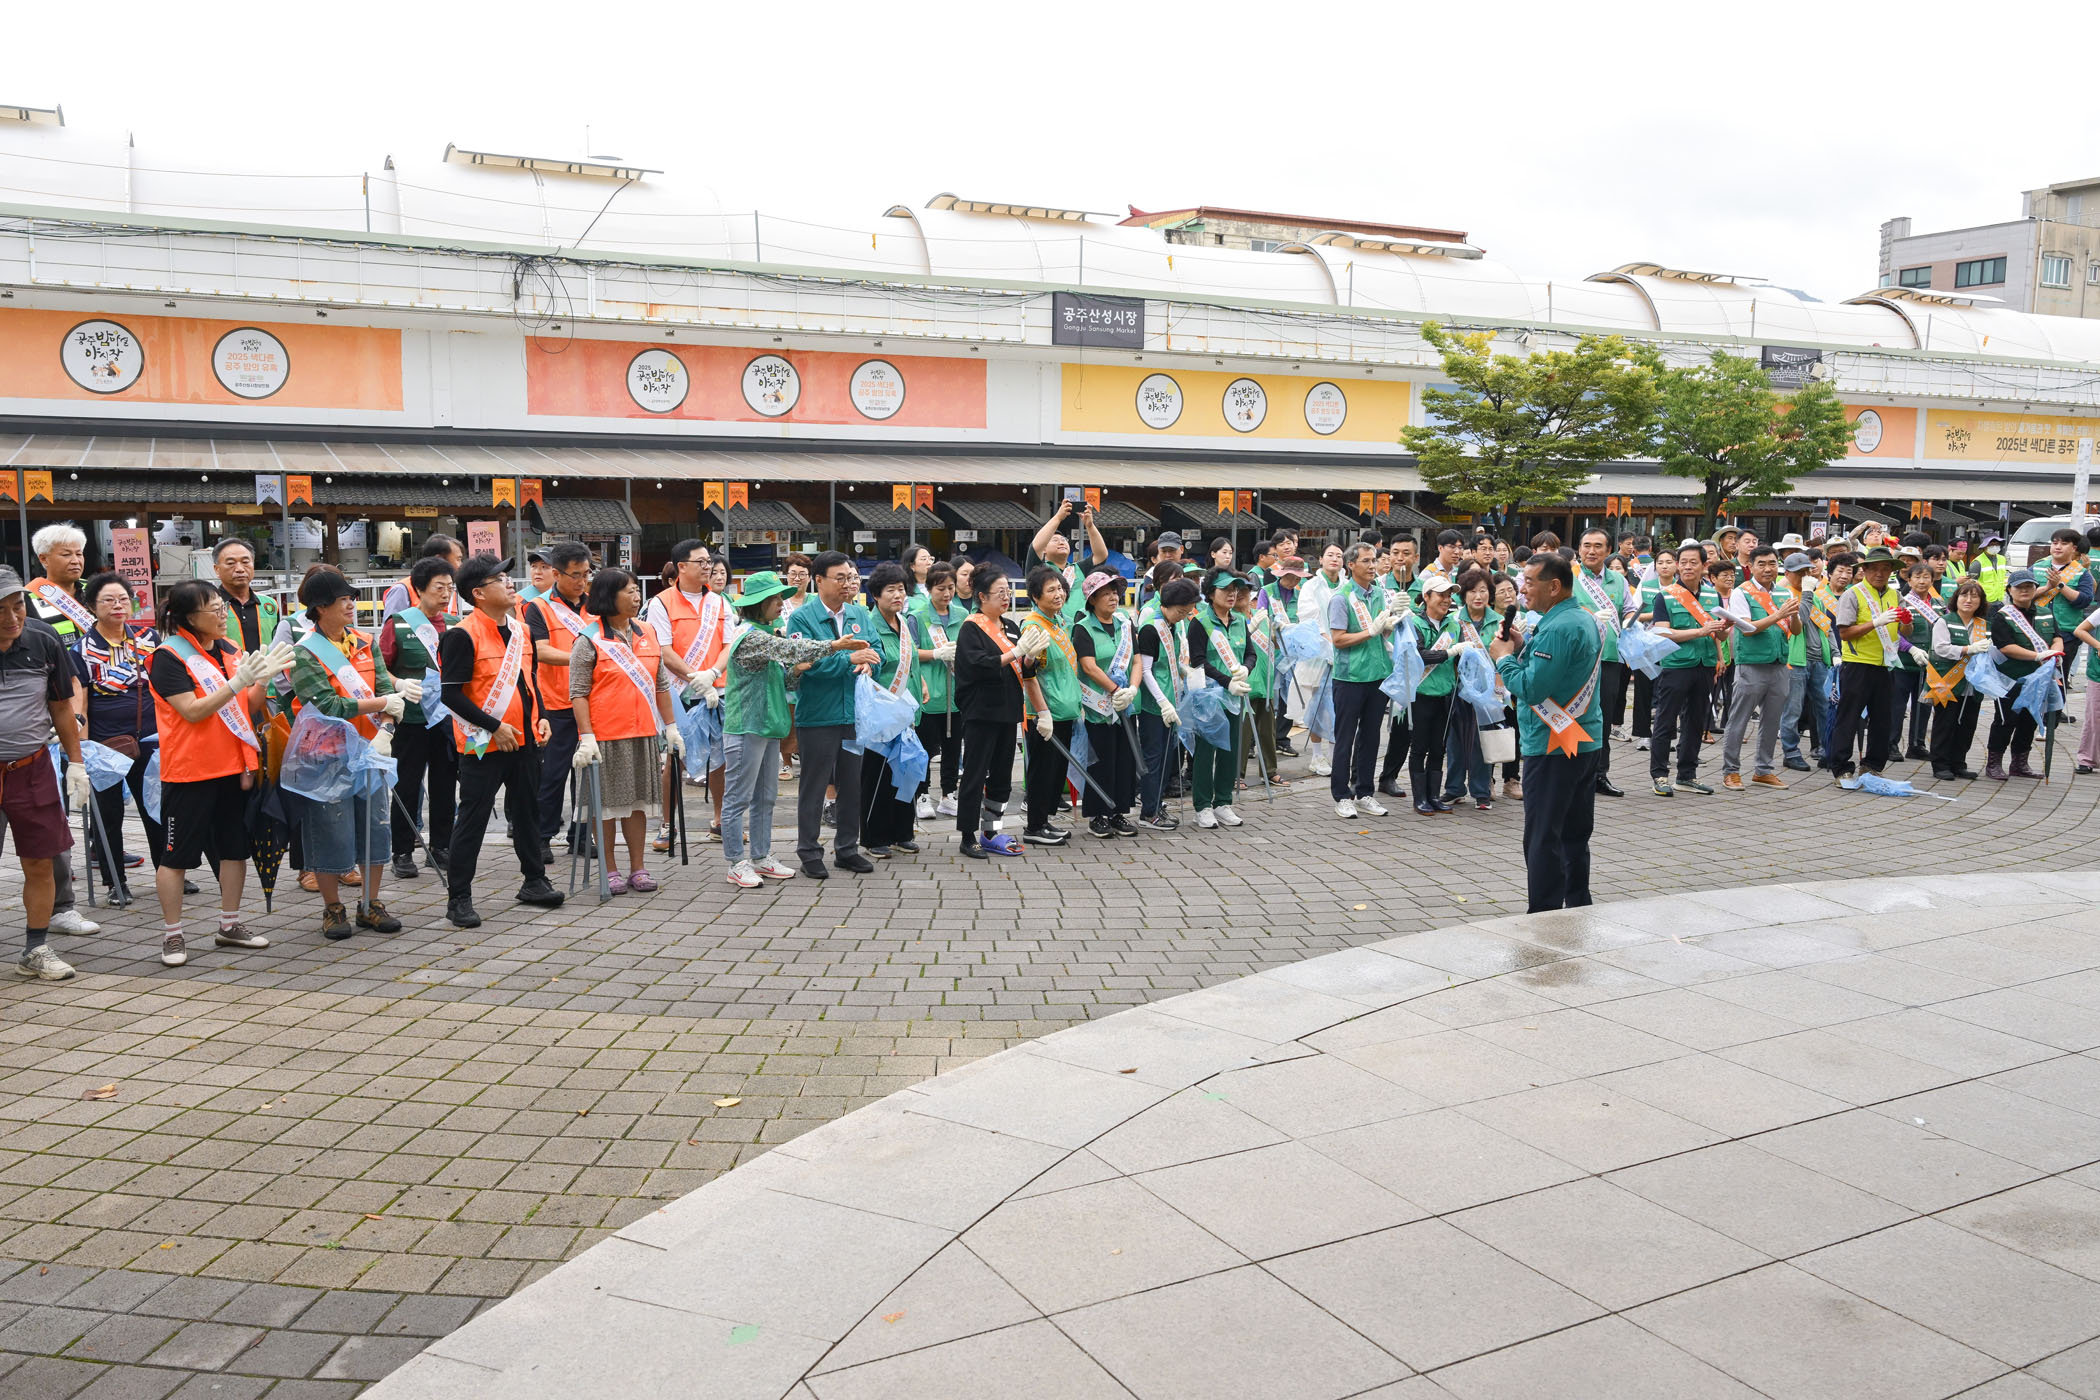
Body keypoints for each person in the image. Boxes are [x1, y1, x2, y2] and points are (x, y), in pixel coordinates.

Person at [147, 579, 291, 967]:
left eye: (222, 607)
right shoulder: (168, 657)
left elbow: (248, 705)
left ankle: (230, 925)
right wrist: (237, 682)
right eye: (213, 609)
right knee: (176, 856)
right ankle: (173, 934)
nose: (222, 614)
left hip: (234, 768)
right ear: (188, 617)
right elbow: (193, 711)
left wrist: (263, 679)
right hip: (190, 771)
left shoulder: (228, 648)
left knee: (234, 849)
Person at [719, 571, 872, 887]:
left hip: (768, 726)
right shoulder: (752, 637)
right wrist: (835, 646)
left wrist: (798, 672)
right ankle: (736, 862)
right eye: (776, 599)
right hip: (746, 726)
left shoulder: (767, 633)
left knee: (766, 797)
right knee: (738, 799)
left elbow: (784, 680)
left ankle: (761, 856)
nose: (781, 604)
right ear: (759, 604)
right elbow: (793, 650)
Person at [439, 554, 565, 928]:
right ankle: (459, 898)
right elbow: (451, 694)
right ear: (478, 593)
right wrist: (494, 726)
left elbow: (530, 680)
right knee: (473, 819)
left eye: (509, 577)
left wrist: (542, 715)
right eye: (500, 579)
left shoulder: (521, 630)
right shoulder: (461, 635)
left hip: (525, 739)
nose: (511, 583)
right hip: (483, 744)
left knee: (528, 812)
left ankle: (534, 881)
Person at [286, 569, 409, 941]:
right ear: (321, 608)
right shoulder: (304, 652)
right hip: (326, 756)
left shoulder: (365, 642)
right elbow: (326, 706)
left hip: (370, 751)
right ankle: (332, 907)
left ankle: (370, 903)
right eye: (344, 600)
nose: (351, 605)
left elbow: (386, 688)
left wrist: (386, 729)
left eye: (351, 598)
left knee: (375, 829)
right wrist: (383, 704)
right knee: (330, 832)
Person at [0, 568, 97, 979]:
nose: (12, 617)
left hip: (32, 766)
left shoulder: (43, 639)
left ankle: (35, 949)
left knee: (41, 861)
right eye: (0, 610)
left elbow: (60, 705)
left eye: (17, 605)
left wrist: (76, 762)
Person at [1490, 554, 1602, 910]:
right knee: (1574, 834)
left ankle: (1544, 914)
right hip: (1583, 740)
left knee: (1543, 837)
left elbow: (1532, 688)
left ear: (1554, 586)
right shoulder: (1582, 618)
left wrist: (1504, 657)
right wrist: (1523, 647)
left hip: (1553, 745)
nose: (1521, 589)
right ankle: (1578, 904)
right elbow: (1561, 671)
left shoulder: (1556, 628)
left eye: (1529, 582)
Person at [569, 567, 679, 894]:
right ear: (608, 596)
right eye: (628, 591)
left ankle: (638, 868)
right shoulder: (588, 639)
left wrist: (671, 727)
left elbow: (661, 684)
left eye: (636, 589)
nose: (636, 596)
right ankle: (609, 868)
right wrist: (587, 736)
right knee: (605, 807)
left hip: (642, 733)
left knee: (637, 804)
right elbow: (578, 692)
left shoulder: (647, 632)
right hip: (604, 737)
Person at [22, 526, 101, 938]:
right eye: (65, 554)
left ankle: (100, 863)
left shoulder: (95, 593)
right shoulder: (27, 601)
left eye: (79, 553)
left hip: (97, 706)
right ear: (43, 559)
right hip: (46, 719)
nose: (75, 560)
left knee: (81, 805)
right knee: (49, 818)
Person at [787, 552, 879, 877]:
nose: (847, 584)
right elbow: (807, 664)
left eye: (850, 577)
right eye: (839, 578)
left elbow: (877, 648)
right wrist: (850, 659)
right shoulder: (802, 619)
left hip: (854, 714)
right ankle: (809, 852)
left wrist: (870, 662)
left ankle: (847, 849)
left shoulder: (859, 613)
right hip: (818, 716)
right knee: (814, 786)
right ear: (819, 580)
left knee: (852, 785)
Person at [70, 573, 163, 885]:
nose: (118, 605)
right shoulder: (81, 650)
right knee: (109, 816)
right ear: (92, 606)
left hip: (151, 741)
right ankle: (115, 883)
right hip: (104, 745)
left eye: (123, 599)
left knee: (156, 809)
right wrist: (83, 752)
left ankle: (169, 874)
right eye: (108, 600)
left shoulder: (149, 639)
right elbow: (80, 704)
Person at [954, 569, 1046, 857]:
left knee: (1002, 776)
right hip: (981, 712)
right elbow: (978, 665)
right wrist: (1015, 653)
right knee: (975, 773)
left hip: (1009, 711)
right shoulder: (971, 628)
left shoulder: (1011, 626)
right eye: (1000, 592)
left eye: (1009, 591)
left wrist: (1029, 657)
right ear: (982, 596)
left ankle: (991, 830)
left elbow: (1023, 670)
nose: (1007, 597)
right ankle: (968, 835)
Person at [379, 556, 458, 883]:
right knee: (407, 786)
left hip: (447, 719)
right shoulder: (398, 624)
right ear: (420, 589)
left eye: (450, 588)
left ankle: (441, 846)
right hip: (410, 720)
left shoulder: (455, 624)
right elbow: (379, 669)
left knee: (445, 785)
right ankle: (401, 851)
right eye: (439, 587)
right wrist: (398, 684)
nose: (445, 594)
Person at [647, 540, 729, 849]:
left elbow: (728, 645)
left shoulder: (720, 603)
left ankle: (721, 821)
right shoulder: (661, 603)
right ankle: (667, 825)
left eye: (709, 562)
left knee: (721, 759)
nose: (709, 567)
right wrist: (696, 678)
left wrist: (713, 674)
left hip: (717, 690)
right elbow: (663, 650)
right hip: (680, 693)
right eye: (701, 562)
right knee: (674, 759)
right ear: (681, 566)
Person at [525, 541, 595, 863]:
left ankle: (580, 835)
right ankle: (541, 837)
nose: (582, 581)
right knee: (553, 775)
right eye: (575, 575)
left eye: (586, 574)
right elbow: (540, 650)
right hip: (555, 703)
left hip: (591, 702)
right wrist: (583, 658)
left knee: (587, 775)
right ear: (557, 574)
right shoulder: (538, 607)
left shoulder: (595, 604)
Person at [1326, 543, 1403, 819]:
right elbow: (1338, 639)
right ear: (1351, 565)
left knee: (1371, 737)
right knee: (1345, 738)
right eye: (1367, 561)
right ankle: (1341, 795)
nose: (1373, 566)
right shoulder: (1341, 598)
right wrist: (1371, 631)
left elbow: (1385, 631)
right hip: (1350, 677)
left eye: (1374, 561)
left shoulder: (1380, 593)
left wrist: (1393, 622)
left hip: (1378, 674)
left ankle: (1364, 792)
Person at [1648, 543, 1729, 796]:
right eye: (1682, 562)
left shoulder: (1713, 596)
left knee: (1696, 721)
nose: (1687, 567)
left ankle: (1687, 775)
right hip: (1676, 665)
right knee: (1665, 720)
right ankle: (1660, 775)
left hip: (1705, 664)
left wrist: (1720, 653)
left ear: (1704, 566)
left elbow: (1719, 634)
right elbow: (1662, 633)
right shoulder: (1665, 596)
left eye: (1693, 562)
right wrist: (1700, 632)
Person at [1717, 546, 1798, 790]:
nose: (1767, 568)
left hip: (1779, 664)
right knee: (1739, 719)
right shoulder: (1742, 592)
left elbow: (1795, 630)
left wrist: (1794, 614)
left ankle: (1764, 770)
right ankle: (1731, 771)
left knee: (1772, 720)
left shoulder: (1784, 592)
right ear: (1751, 567)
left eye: (1772, 563)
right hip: (1751, 663)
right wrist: (1779, 615)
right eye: (1761, 564)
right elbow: (1747, 628)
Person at [859, 563, 924, 857]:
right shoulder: (869, 626)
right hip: (882, 715)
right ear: (875, 595)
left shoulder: (905, 623)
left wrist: (921, 683)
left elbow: (910, 662)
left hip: (907, 713)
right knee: (878, 778)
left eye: (901, 589)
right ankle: (874, 837)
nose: (898, 595)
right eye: (891, 590)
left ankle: (902, 832)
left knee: (906, 771)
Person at [1828, 546, 1906, 782]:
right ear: (1864, 570)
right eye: (1874, 569)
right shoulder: (1853, 594)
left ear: (1892, 571)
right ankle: (1841, 768)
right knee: (1849, 718)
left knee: (1883, 719)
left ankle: (1872, 765)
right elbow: (1844, 633)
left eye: (1885, 569)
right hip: (1857, 664)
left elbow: (1904, 631)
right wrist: (1875, 622)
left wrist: (1907, 622)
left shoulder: (1895, 595)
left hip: (1886, 664)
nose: (1880, 574)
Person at [1072, 571, 1141, 837]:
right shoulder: (1083, 627)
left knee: (1124, 760)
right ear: (1092, 599)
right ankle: (1098, 815)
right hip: (1098, 707)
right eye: (1106, 593)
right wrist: (1115, 690)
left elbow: (1136, 660)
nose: (1113, 598)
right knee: (1101, 761)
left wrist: (1132, 689)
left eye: (1115, 592)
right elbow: (1088, 666)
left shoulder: (1125, 623)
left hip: (1125, 705)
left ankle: (1119, 812)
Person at [1185, 568, 1255, 829]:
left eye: (1235, 589)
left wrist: (1246, 669)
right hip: (1209, 697)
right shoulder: (1200, 622)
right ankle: (1202, 806)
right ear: (1211, 593)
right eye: (1225, 589)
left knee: (1231, 749)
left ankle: (1223, 802)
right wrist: (1227, 682)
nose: (1232, 594)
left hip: (1234, 698)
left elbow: (1250, 653)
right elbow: (1198, 660)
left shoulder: (1240, 620)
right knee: (1206, 751)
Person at [1017, 565, 1081, 845]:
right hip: (1045, 712)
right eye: (1051, 590)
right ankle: (1034, 827)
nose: (1058, 594)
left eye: (1060, 589)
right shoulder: (1033, 626)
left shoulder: (1057, 622)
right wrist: (1042, 712)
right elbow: (1028, 672)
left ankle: (1044, 821)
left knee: (1055, 771)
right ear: (1035, 596)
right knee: (1042, 771)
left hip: (1064, 709)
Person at [1133, 578, 1198, 830]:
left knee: (1166, 759)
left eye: (1187, 612)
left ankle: (1157, 804)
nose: (1183, 616)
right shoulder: (1151, 628)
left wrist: (1184, 671)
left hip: (1171, 701)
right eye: (1181, 611)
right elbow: (1145, 670)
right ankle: (1149, 812)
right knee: (1154, 759)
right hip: (1154, 706)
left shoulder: (1171, 624)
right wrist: (1162, 703)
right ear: (1167, 604)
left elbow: (1169, 660)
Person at [1440, 568, 1506, 811]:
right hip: (1458, 688)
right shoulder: (1454, 620)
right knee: (1455, 740)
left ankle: (1481, 791)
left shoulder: (1499, 621)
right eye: (1472, 591)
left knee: (1483, 739)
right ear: (1464, 595)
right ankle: (1454, 788)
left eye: (1483, 591)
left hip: (1488, 691)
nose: (1478, 596)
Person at [1985, 569, 2061, 780]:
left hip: (2039, 679)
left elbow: (2057, 637)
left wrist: (2056, 651)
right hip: (2010, 679)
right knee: (2005, 720)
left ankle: (2020, 763)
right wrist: (2037, 655)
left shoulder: (2045, 612)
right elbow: (2006, 647)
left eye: (2029, 586)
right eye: (2019, 587)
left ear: (2036, 588)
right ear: (2009, 590)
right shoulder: (2002, 616)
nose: (2025, 591)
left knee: (2029, 720)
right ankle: (1994, 763)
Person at [1571, 529, 1630, 796]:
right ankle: (1573, 773)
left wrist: (1628, 621)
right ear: (1579, 548)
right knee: (1574, 715)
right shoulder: (1569, 576)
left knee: (1603, 718)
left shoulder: (1618, 580)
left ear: (1608, 551)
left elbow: (1629, 610)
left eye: (1598, 546)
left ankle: (1599, 774)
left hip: (1609, 659)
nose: (1591, 551)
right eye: (1586, 545)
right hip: (1576, 660)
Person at [907, 563, 965, 819]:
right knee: (924, 749)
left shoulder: (962, 614)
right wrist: (936, 653)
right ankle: (921, 794)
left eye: (951, 587)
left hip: (956, 695)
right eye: (941, 588)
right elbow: (909, 652)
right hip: (928, 696)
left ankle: (948, 794)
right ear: (929, 588)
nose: (947, 593)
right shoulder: (917, 617)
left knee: (953, 748)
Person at [1406, 577, 1459, 815]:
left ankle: (1434, 796)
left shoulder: (1453, 625)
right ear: (1426, 597)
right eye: (1441, 595)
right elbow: (1418, 655)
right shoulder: (1414, 624)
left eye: (1449, 595)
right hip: (1421, 693)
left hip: (1445, 693)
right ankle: (1420, 798)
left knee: (1439, 747)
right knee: (1419, 747)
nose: (1446, 600)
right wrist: (1449, 652)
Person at [1929, 579, 1991, 781]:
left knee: (1968, 724)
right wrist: (1967, 649)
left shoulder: (1984, 625)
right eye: (1964, 595)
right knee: (1945, 723)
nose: (1969, 600)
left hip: (1973, 683)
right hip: (1948, 681)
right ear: (1956, 599)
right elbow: (1941, 648)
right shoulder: (1944, 621)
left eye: (1974, 596)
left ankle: (1959, 762)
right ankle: (1940, 764)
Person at [1292, 544, 1346, 775]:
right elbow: (1309, 617)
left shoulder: (1346, 586)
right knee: (1318, 705)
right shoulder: (1311, 586)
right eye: (1330, 555)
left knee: (1339, 706)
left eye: (1339, 556)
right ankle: (1316, 755)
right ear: (1321, 559)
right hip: (1318, 653)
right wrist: (1328, 642)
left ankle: (1335, 754)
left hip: (1344, 653)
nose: (1335, 559)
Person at [1234, 575, 1284, 789]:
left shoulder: (1261, 616)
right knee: (1243, 732)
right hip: (1245, 683)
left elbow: (1276, 646)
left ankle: (1270, 771)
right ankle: (1237, 774)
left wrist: (1279, 633)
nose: (1241, 594)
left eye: (1246, 590)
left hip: (1266, 680)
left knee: (1267, 730)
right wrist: (1249, 630)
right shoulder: (1232, 619)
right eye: (1237, 590)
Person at [1774, 552, 1821, 773]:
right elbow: (1801, 618)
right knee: (1792, 709)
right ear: (1787, 573)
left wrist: (1832, 653)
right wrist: (1808, 593)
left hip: (1818, 658)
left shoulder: (1815, 595)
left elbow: (1826, 626)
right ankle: (1791, 752)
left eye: (1807, 571)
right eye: (1799, 572)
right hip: (1795, 659)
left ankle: (1824, 748)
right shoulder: (1784, 594)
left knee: (1823, 707)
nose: (1805, 576)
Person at [1029, 501, 1106, 625]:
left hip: (1081, 628)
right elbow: (1035, 547)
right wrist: (1058, 517)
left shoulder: (1078, 568)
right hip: (1051, 627)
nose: (1061, 542)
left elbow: (1101, 555)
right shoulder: (1039, 570)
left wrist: (1090, 526)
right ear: (1044, 549)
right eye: (1055, 540)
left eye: (1064, 540)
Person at [1265, 555, 1309, 757]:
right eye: (1292, 576)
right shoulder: (1267, 592)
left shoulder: (1300, 596)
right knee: (1265, 695)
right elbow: (1259, 617)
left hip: (1292, 654)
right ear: (1282, 574)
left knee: (1289, 695)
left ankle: (1281, 738)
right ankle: (1257, 740)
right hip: (1269, 651)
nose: (1295, 581)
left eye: (1299, 578)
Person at [2037, 528, 2093, 681]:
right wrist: (2046, 588)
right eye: (2055, 543)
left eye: (2064, 543)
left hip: (2066, 635)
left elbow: (2084, 600)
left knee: (2059, 681)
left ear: (2074, 548)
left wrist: (2060, 586)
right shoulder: (2037, 567)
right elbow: (2018, 595)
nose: (2058, 547)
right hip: (2035, 632)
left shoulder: (2081, 572)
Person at [212, 538, 279, 659]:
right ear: (217, 569)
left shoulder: (269, 605)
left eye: (245, 562)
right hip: (226, 671)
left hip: (266, 670)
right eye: (231, 563)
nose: (240, 569)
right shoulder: (208, 606)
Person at [381, 535, 463, 614]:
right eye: (458, 559)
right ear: (439, 559)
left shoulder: (449, 589)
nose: (461, 565)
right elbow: (393, 623)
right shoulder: (402, 589)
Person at [2073, 598, 2100, 774]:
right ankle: (2087, 759)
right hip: (2098, 673)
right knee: (2094, 717)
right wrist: (2098, 645)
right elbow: (2080, 630)